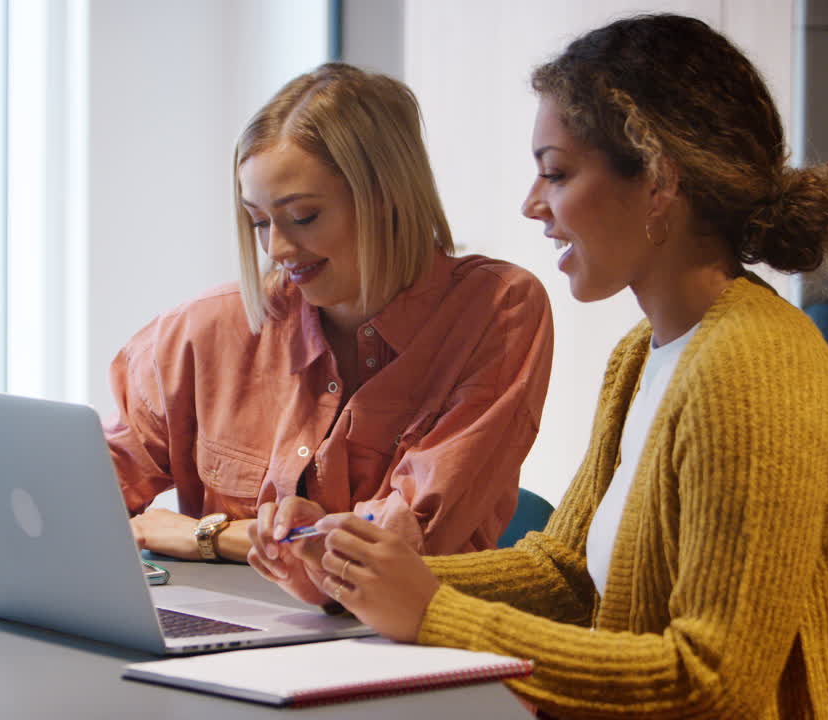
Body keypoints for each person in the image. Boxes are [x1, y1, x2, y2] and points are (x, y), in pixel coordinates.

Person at [249, 15, 828, 719]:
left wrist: (434, 613)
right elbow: (567, 573)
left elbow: (714, 683)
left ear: (660, 181)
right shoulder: (645, 354)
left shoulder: (749, 370)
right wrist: (357, 578)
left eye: (557, 173)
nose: (533, 204)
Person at [103, 63, 554, 566]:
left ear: (386, 197)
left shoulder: (498, 309)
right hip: (231, 633)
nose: (276, 248)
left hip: (399, 639)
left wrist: (209, 535)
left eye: (303, 218)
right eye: (257, 221)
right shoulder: (201, 332)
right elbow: (84, 500)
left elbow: (392, 547)